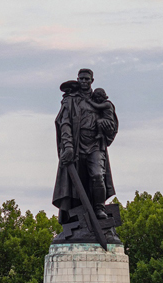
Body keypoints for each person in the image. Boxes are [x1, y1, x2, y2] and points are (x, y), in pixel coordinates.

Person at [53, 69, 118, 224]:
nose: (83, 81)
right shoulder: (70, 100)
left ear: (92, 80)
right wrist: (68, 146)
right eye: (81, 79)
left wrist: (106, 126)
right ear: (78, 79)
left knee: (97, 175)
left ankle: (99, 208)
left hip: (95, 144)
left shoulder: (100, 100)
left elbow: (112, 124)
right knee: (77, 182)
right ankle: (77, 216)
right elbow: (64, 123)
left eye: (86, 79)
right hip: (76, 146)